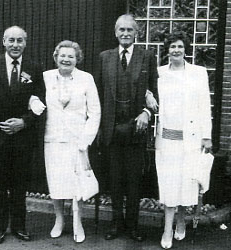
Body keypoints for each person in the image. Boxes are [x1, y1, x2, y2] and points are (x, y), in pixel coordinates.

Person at [0, 26, 46, 244]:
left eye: (20, 41)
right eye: (11, 40)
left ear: (26, 43)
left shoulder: (34, 67)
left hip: (23, 137)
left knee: (19, 185)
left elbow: (41, 103)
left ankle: (19, 226)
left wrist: (24, 122)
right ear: (4, 42)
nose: (15, 45)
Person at [96, 14, 158, 242]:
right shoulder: (105, 57)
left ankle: (133, 225)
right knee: (114, 180)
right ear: (115, 32)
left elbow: (154, 92)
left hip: (136, 129)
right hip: (112, 129)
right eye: (121, 29)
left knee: (133, 181)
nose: (125, 33)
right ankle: (115, 223)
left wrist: (147, 112)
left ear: (136, 33)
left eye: (129, 30)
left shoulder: (147, 57)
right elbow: (99, 95)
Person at [155, 31, 212, 249]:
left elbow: (205, 106)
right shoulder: (159, 73)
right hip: (167, 139)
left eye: (179, 46)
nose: (176, 50)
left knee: (185, 186)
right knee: (169, 185)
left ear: (185, 49)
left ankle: (181, 221)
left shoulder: (198, 73)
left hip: (190, 140)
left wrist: (206, 136)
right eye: (172, 47)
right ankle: (167, 229)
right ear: (167, 50)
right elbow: (150, 96)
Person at [43, 40, 101, 243]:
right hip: (53, 139)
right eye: (63, 55)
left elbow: (95, 112)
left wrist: (85, 140)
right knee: (56, 182)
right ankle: (59, 220)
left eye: (71, 56)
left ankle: (78, 222)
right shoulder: (46, 77)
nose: (66, 59)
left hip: (78, 141)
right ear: (56, 57)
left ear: (77, 59)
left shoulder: (86, 79)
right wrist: (33, 102)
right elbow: (34, 99)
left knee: (78, 183)